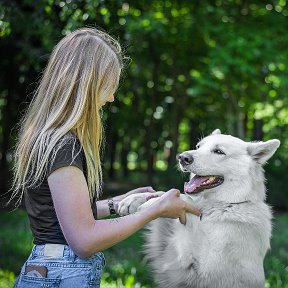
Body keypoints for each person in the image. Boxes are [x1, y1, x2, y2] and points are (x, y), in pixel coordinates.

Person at [9, 27, 201, 287]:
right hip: (61, 274)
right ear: (85, 84)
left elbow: (61, 216)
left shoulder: (50, 138)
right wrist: (156, 210)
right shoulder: (64, 145)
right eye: (108, 86)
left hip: (48, 269)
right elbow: (84, 240)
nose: (111, 97)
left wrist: (117, 204)